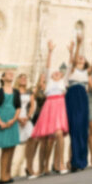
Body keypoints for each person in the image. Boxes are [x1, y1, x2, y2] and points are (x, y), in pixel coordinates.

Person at [30, 41, 69, 175]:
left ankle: (61, 163)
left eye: (59, 73)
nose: (57, 73)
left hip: (59, 108)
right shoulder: (49, 82)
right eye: (54, 73)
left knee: (58, 134)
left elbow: (68, 69)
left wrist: (70, 52)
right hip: (48, 108)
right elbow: (47, 68)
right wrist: (50, 52)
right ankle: (42, 167)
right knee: (44, 138)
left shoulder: (63, 82)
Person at [65, 34, 91, 171]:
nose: (81, 58)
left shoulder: (86, 72)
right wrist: (78, 44)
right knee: (75, 128)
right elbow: (73, 60)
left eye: (83, 57)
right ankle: (75, 161)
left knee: (83, 129)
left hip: (83, 98)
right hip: (73, 97)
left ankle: (82, 160)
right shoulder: (72, 69)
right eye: (78, 57)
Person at [25, 73, 47, 178]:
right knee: (33, 142)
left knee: (43, 142)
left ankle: (41, 167)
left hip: (47, 118)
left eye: (45, 81)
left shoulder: (49, 89)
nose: (43, 83)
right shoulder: (34, 91)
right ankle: (29, 166)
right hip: (37, 117)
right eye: (41, 81)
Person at [16, 74, 35, 144]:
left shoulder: (30, 92)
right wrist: (18, 118)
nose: (23, 80)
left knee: (31, 137)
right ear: (18, 80)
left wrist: (27, 118)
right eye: (21, 78)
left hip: (25, 116)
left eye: (25, 78)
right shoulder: (14, 91)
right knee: (14, 140)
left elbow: (32, 106)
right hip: (16, 116)